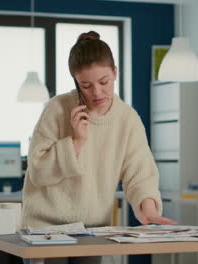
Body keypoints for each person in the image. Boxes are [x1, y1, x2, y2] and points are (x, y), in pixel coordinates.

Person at [20, 31, 175, 264]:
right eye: (86, 85)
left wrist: (150, 210)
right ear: (75, 81)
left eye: (104, 82)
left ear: (115, 72)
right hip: (45, 229)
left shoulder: (127, 119)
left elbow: (140, 174)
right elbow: (38, 172)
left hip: (91, 230)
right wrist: (77, 142)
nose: (97, 93)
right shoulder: (57, 108)